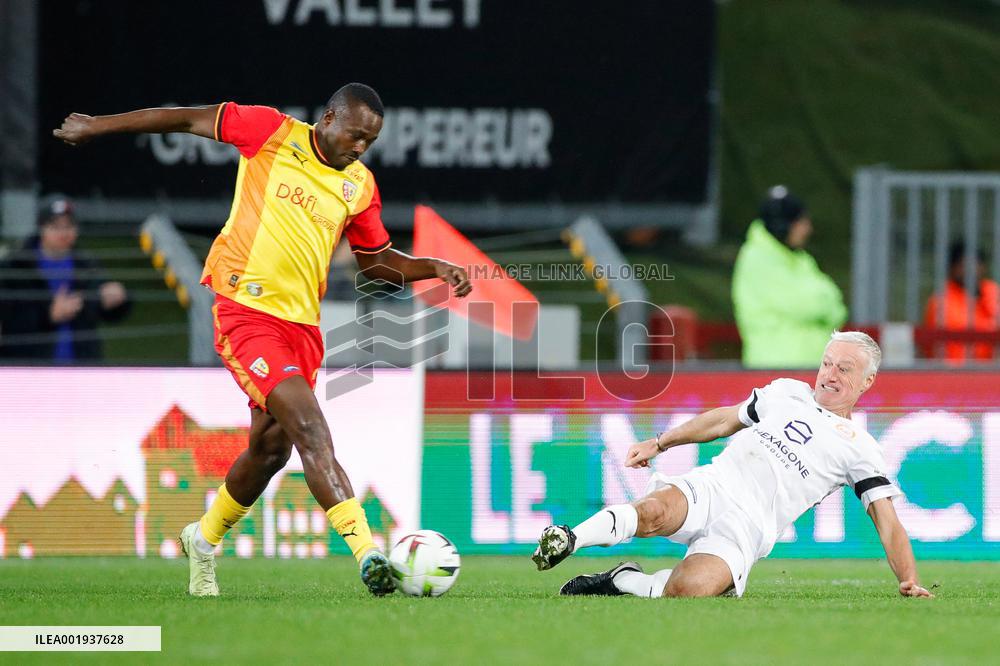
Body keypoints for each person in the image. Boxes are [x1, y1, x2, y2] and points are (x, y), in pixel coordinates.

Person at [53, 83, 472, 597]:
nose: (361, 147)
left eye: (371, 141)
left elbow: (376, 262)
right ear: (328, 118)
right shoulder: (270, 131)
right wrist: (97, 125)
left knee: (271, 450)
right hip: (246, 313)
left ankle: (202, 539)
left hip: (302, 329)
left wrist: (435, 267)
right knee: (310, 428)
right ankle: (369, 555)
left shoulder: (359, 185)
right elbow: (184, 118)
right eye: (355, 135)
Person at [532, 331, 933, 600]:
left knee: (687, 591)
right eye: (827, 363)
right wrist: (659, 442)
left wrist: (908, 579)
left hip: (749, 528)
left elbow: (887, 521)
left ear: (867, 381)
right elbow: (724, 420)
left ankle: (622, 579)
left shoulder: (862, 448)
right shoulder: (786, 392)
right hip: (715, 485)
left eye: (844, 369)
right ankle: (570, 538)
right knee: (652, 512)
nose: (829, 374)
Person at [0, 194, 130, 361]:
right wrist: (49, 315)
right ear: (41, 228)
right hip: (29, 367)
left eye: (69, 226)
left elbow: (101, 312)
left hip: (81, 366)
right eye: (55, 226)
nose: (64, 233)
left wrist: (116, 300)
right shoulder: (16, 266)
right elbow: (9, 322)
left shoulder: (85, 265)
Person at [732, 186, 847, 368]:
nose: (808, 229)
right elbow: (810, 305)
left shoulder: (801, 259)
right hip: (772, 371)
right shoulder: (756, 258)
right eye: (801, 222)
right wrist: (823, 302)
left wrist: (821, 303)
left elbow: (838, 310)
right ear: (783, 226)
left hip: (812, 368)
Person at [923, 242, 999, 363]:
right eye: (964, 265)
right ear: (952, 268)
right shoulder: (941, 300)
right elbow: (962, 328)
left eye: (976, 263)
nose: (971, 270)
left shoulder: (990, 290)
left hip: (989, 369)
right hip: (953, 370)